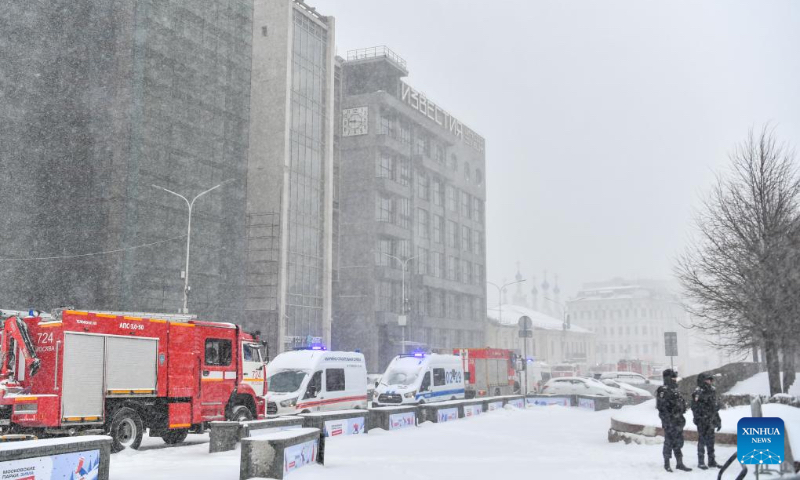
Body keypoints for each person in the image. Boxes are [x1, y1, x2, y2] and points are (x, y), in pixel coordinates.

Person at [657, 368, 692, 472]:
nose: (675, 380)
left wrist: (682, 407)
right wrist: (670, 417)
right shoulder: (663, 390)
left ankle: (679, 463)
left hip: (678, 421)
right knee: (668, 442)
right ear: (668, 378)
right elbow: (662, 408)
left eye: (675, 378)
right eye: (673, 378)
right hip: (670, 422)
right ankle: (666, 463)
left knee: (678, 442)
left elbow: (680, 405)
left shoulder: (675, 390)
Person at [691, 372, 722, 469]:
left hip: (711, 420)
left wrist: (718, 420)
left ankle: (711, 461)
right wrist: (702, 416)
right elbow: (695, 407)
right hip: (702, 420)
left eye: (710, 380)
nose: (709, 381)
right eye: (707, 380)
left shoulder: (712, 391)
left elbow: (714, 407)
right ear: (702, 381)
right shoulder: (698, 392)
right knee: (702, 441)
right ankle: (701, 462)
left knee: (711, 442)